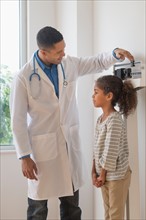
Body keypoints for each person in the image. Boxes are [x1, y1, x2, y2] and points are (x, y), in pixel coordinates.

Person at [10, 26, 135, 220]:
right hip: (42, 150)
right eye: (58, 51)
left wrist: (114, 54)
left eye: (64, 48)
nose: (63, 54)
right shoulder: (23, 77)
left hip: (68, 145)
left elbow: (95, 62)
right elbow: (17, 120)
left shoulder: (67, 64)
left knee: (72, 206)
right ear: (43, 52)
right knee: (38, 209)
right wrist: (24, 156)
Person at [91, 75, 137, 220]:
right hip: (103, 175)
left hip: (116, 176)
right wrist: (94, 171)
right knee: (108, 214)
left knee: (115, 215)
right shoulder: (100, 120)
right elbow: (96, 148)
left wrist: (102, 174)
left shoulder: (115, 120)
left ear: (109, 96)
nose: (93, 96)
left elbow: (110, 150)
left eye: (96, 92)